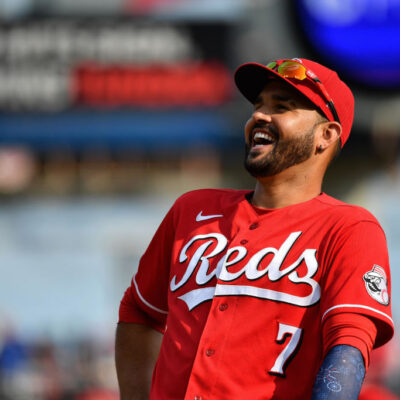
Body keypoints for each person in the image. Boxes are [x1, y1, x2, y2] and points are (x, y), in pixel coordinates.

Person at [115, 58, 394, 400]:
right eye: (258, 105)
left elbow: (348, 347)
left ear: (326, 135)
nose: (259, 116)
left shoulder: (349, 228)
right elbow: (140, 310)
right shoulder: (192, 210)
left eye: (281, 106)